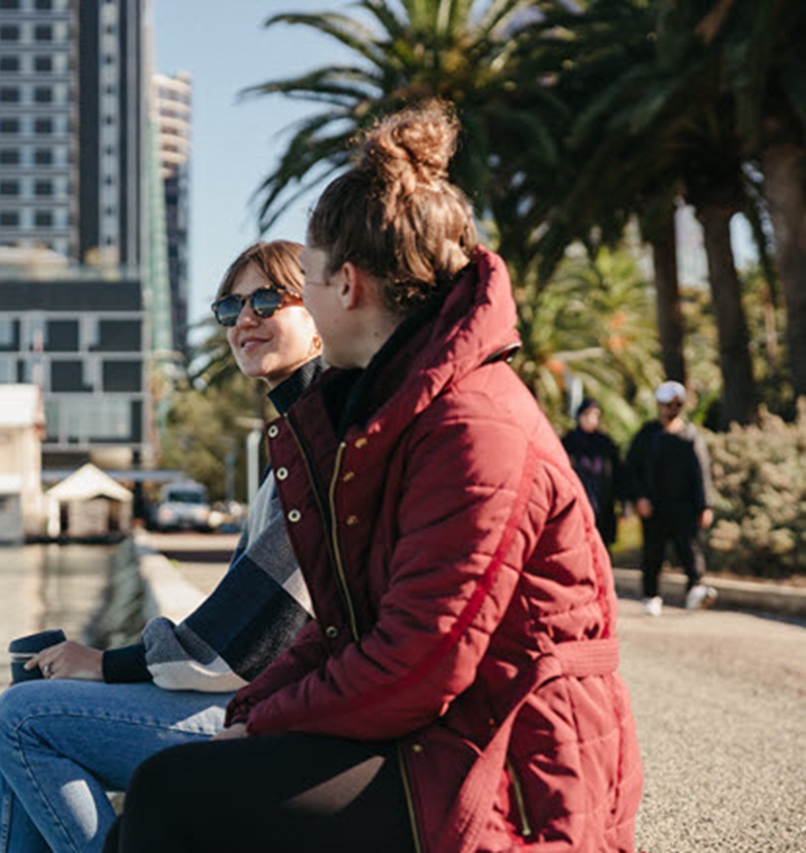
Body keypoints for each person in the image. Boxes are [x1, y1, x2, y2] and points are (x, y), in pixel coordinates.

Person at [108, 101, 642, 853]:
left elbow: (418, 663)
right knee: (171, 791)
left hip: (509, 773)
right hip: (439, 737)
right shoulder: (392, 410)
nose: (304, 301)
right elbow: (343, 628)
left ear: (347, 286)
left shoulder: (470, 425)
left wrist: (258, 725)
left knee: (172, 795)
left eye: (308, 280)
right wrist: (248, 713)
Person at [0, 240, 323, 853]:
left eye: (267, 300)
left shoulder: (319, 444)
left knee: (21, 719)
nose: (245, 319)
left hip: (285, 720)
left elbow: (256, 635)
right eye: (230, 307)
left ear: (321, 316)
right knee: (24, 706)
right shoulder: (292, 441)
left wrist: (108, 665)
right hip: (274, 701)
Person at [625, 380, 717, 616]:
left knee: (690, 549)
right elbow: (632, 470)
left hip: (683, 507)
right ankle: (651, 596)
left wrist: (705, 505)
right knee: (653, 553)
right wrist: (639, 498)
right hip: (653, 506)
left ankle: (696, 588)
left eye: (677, 405)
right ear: (659, 405)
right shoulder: (646, 436)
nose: (672, 409)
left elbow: (701, 472)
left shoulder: (690, 436)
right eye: (667, 404)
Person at [562, 397, 624, 547]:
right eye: (587, 414)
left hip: (602, 504)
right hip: (577, 504)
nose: (591, 419)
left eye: (595, 415)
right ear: (579, 416)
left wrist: (623, 503)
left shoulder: (605, 443)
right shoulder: (568, 442)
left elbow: (619, 475)